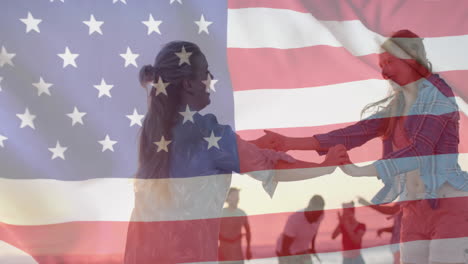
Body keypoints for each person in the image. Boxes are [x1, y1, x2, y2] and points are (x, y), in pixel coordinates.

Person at [254, 29, 468, 264]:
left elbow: (420, 150)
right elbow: (352, 134)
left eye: (389, 62)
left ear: (411, 57)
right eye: (381, 65)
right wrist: (289, 143)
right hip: (412, 209)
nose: (384, 73)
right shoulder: (395, 108)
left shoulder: (439, 94)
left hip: (449, 203)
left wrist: (361, 170)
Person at [123, 41, 349, 264]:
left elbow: (201, 160)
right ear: (188, 84)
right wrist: (325, 166)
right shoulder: (209, 131)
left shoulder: (153, 130)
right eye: (206, 73)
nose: (210, 81)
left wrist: (255, 145)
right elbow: (273, 168)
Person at [276, 195, 325, 264]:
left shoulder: (320, 215)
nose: (316, 218)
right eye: (315, 215)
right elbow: (285, 249)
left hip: (302, 250)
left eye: (319, 214)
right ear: (309, 209)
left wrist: (312, 247)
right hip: (285, 251)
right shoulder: (294, 220)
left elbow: (314, 230)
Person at [357, 196, 401, 264]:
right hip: (396, 245)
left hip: (401, 245)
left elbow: (389, 210)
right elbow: (398, 227)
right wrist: (384, 230)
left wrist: (367, 204)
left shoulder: (407, 204)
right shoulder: (402, 203)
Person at [218, 188, 252, 264]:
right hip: (223, 253)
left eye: (237, 195)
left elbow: (248, 231)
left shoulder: (241, 213)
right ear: (227, 198)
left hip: (237, 254)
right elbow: (212, 232)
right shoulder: (221, 213)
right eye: (233, 195)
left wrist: (248, 249)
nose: (236, 198)